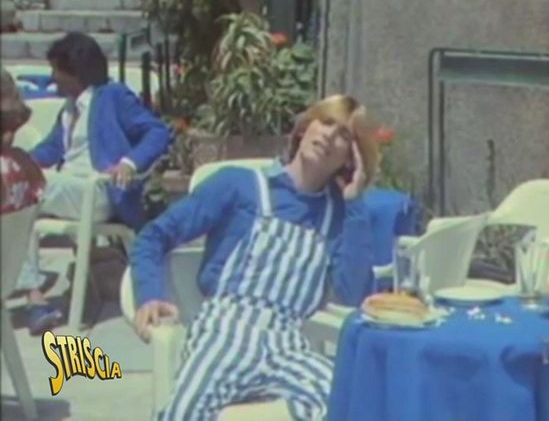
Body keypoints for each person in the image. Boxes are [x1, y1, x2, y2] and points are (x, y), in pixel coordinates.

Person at [130, 94, 379, 420]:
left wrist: (355, 202)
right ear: (305, 128)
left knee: (353, 401)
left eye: (344, 134)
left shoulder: (339, 215)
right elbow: (153, 236)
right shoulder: (239, 185)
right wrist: (150, 295)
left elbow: (353, 294)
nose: (330, 135)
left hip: (288, 343)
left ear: (351, 157)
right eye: (326, 122)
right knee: (186, 411)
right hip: (225, 333)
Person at [15, 32, 171, 334]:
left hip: (99, 192)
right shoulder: (69, 109)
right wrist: (16, 160)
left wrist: (129, 163)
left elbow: (157, 132)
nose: (53, 78)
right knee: (16, 197)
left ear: (75, 71)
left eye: (56, 70)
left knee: (20, 183)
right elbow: (49, 150)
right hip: (68, 191)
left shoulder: (113, 96)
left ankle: (34, 299)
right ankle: (35, 299)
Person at [1, 68, 55, 330]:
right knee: (19, 227)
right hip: (10, 271)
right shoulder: (24, 163)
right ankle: (35, 297)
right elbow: (39, 193)